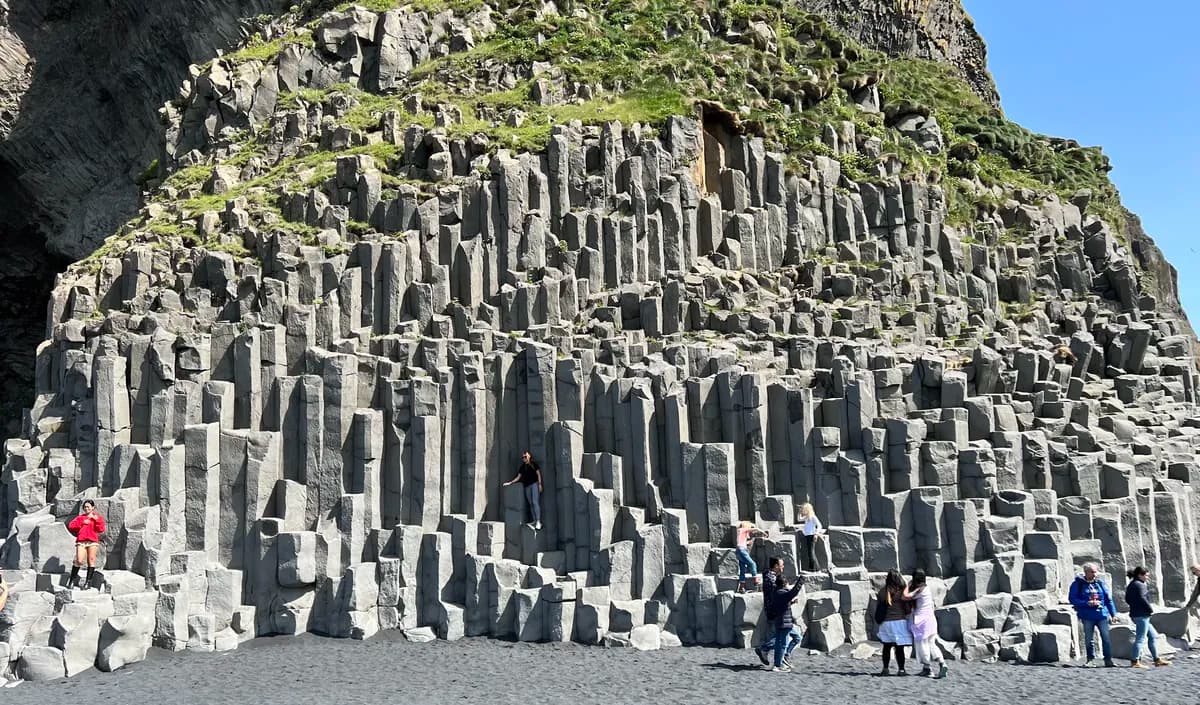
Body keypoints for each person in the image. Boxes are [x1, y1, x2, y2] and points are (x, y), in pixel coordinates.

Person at [755, 557, 801, 667]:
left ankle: (784, 655)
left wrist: (789, 601)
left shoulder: (772, 577)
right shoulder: (771, 579)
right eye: (781, 565)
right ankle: (767, 650)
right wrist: (789, 591)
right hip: (776, 613)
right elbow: (779, 595)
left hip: (779, 612)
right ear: (776, 566)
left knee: (793, 637)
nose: (783, 567)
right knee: (781, 638)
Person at [1068, 562, 1117, 667]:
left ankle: (1108, 660)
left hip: (1102, 615)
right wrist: (1086, 603)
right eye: (1092, 572)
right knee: (1089, 639)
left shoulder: (1100, 583)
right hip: (1087, 616)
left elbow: (1108, 599)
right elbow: (1072, 598)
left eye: (1096, 572)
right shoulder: (1078, 584)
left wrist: (1113, 614)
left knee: (1106, 638)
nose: (1095, 574)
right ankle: (1090, 659)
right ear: (1086, 572)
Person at [903, 569, 947, 679]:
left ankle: (928, 668)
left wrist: (908, 585)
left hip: (921, 622)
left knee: (922, 645)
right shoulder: (926, 588)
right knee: (932, 644)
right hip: (931, 620)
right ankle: (942, 663)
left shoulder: (919, 590)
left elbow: (905, 596)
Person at [1125, 566, 1170, 668]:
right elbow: (1142, 598)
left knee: (1153, 636)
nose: (1147, 578)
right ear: (1140, 575)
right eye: (1146, 576)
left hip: (1137, 614)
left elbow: (1127, 599)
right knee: (1140, 638)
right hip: (1141, 615)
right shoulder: (1140, 585)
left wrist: (1134, 606)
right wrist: (1149, 609)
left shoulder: (1132, 584)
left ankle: (1156, 659)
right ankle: (1135, 661)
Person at [876, 569, 913, 676]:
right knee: (899, 648)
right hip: (899, 622)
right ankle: (901, 670)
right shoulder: (901, 592)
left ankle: (885, 669)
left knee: (886, 647)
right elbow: (907, 608)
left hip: (886, 623)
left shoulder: (882, 592)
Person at [766, 574, 803, 673]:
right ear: (784, 584)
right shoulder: (782, 593)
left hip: (780, 621)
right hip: (784, 623)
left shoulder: (777, 593)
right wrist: (801, 580)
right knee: (782, 644)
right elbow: (794, 591)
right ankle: (778, 665)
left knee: (781, 643)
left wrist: (791, 602)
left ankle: (781, 660)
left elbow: (782, 605)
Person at [67, 500, 106, 590]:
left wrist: (96, 520)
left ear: (93, 507)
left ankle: (88, 582)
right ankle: (72, 580)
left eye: (88, 507)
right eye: (85, 507)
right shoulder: (80, 517)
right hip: (81, 541)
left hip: (92, 541)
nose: (86, 508)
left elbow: (101, 529)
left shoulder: (97, 518)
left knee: (91, 560)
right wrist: (82, 522)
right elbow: (71, 526)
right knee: (79, 560)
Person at [502, 451, 543, 530]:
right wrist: (510, 483)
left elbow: (538, 474)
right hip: (527, 486)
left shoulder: (533, 464)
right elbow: (518, 477)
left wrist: (540, 484)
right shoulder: (522, 467)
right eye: (523, 457)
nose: (524, 458)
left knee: (535, 502)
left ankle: (538, 521)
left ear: (529, 456)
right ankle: (534, 520)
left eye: (525, 457)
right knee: (531, 503)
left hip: (534, 484)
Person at [734, 521, 766, 593]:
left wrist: (750, 541)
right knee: (752, 564)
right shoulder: (742, 529)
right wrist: (763, 532)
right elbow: (756, 529)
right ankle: (756, 582)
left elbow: (742, 542)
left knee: (742, 569)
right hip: (742, 550)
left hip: (739, 550)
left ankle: (742, 587)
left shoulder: (740, 532)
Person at [797, 503, 824, 570]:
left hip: (812, 536)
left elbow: (820, 525)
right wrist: (799, 512)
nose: (803, 511)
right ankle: (812, 568)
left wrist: (816, 534)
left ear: (808, 510)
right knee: (810, 553)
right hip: (807, 536)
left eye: (804, 509)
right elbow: (799, 519)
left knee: (811, 552)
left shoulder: (813, 517)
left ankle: (816, 568)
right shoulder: (807, 517)